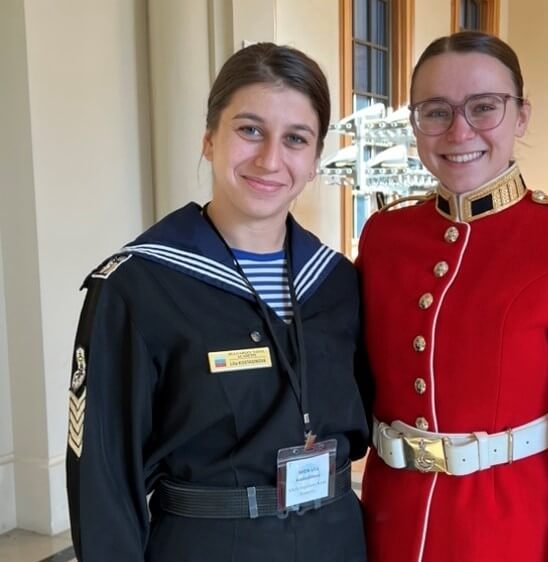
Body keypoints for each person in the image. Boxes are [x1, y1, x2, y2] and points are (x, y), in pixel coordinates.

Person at [65, 42, 369, 562]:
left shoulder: (337, 282)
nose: (270, 159)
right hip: (210, 544)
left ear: (315, 160)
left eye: (295, 139)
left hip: (336, 538)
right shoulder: (139, 287)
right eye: (249, 130)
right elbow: (103, 478)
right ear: (209, 139)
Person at [356, 31, 548, 562]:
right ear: (415, 123)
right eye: (436, 111)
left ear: (521, 117)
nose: (459, 130)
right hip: (390, 522)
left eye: (484, 107)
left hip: (512, 528)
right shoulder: (384, 237)